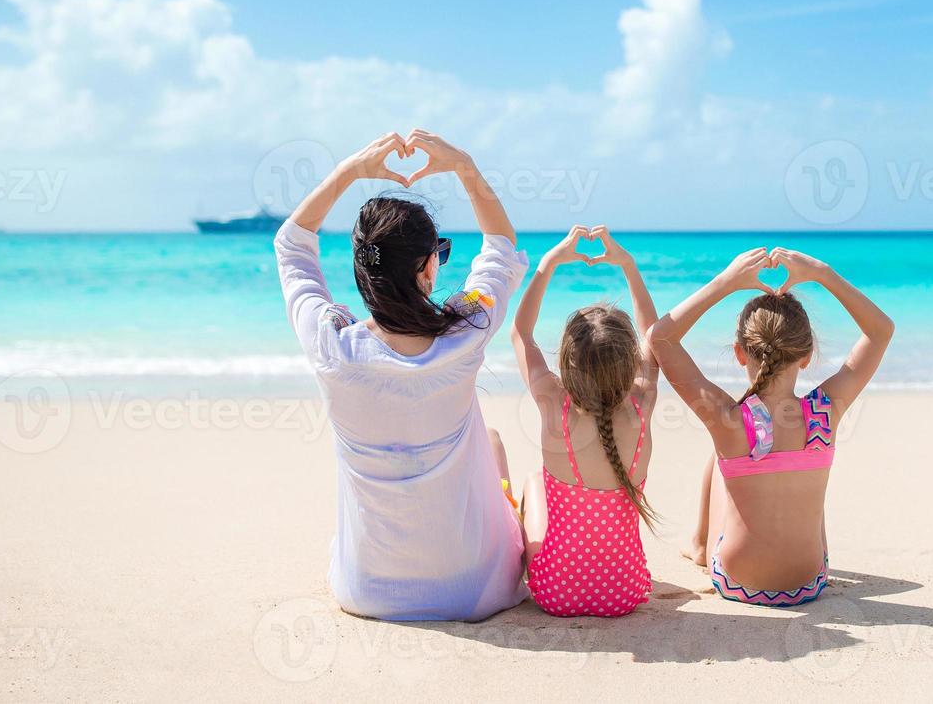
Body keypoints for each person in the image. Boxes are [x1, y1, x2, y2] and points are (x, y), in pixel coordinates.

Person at [274, 129, 529, 621]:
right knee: (494, 444)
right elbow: (500, 247)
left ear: (362, 272)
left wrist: (350, 170)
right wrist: (465, 166)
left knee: (488, 441)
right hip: (474, 590)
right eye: (440, 251)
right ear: (427, 269)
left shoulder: (333, 346)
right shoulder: (467, 328)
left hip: (366, 591)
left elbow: (292, 246)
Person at [648, 246, 894, 607]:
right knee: (803, 464)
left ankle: (699, 546)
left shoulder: (730, 421)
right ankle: (717, 545)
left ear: (739, 352)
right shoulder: (823, 412)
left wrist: (725, 282)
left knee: (721, 461)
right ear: (807, 355)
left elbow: (660, 338)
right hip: (809, 583)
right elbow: (881, 331)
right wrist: (822, 272)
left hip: (737, 582)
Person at [511, 225, 658, 617]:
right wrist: (628, 265)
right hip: (626, 593)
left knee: (532, 483)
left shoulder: (552, 403)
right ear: (630, 365)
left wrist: (546, 265)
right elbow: (653, 337)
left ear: (565, 365)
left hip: (555, 593)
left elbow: (520, 334)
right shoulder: (642, 406)